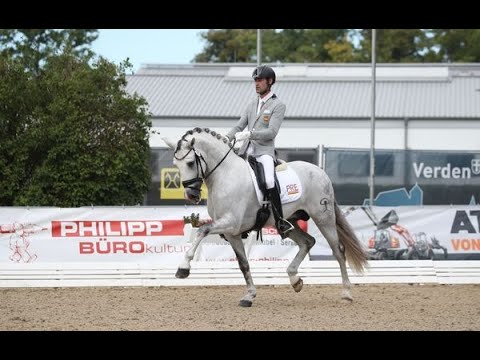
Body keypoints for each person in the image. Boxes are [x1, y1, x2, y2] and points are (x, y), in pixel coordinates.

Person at [225, 65, 294, 238]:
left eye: (260, 80)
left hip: (264, 152)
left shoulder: (278, 105)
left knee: (269, 181)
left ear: (270, 82)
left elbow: (272, 132)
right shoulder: (251, 104)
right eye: (255, 80)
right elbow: (239, 125)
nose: (256, 83)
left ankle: (280, 221)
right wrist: (226, 138)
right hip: (246, 152)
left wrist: (250, 133)